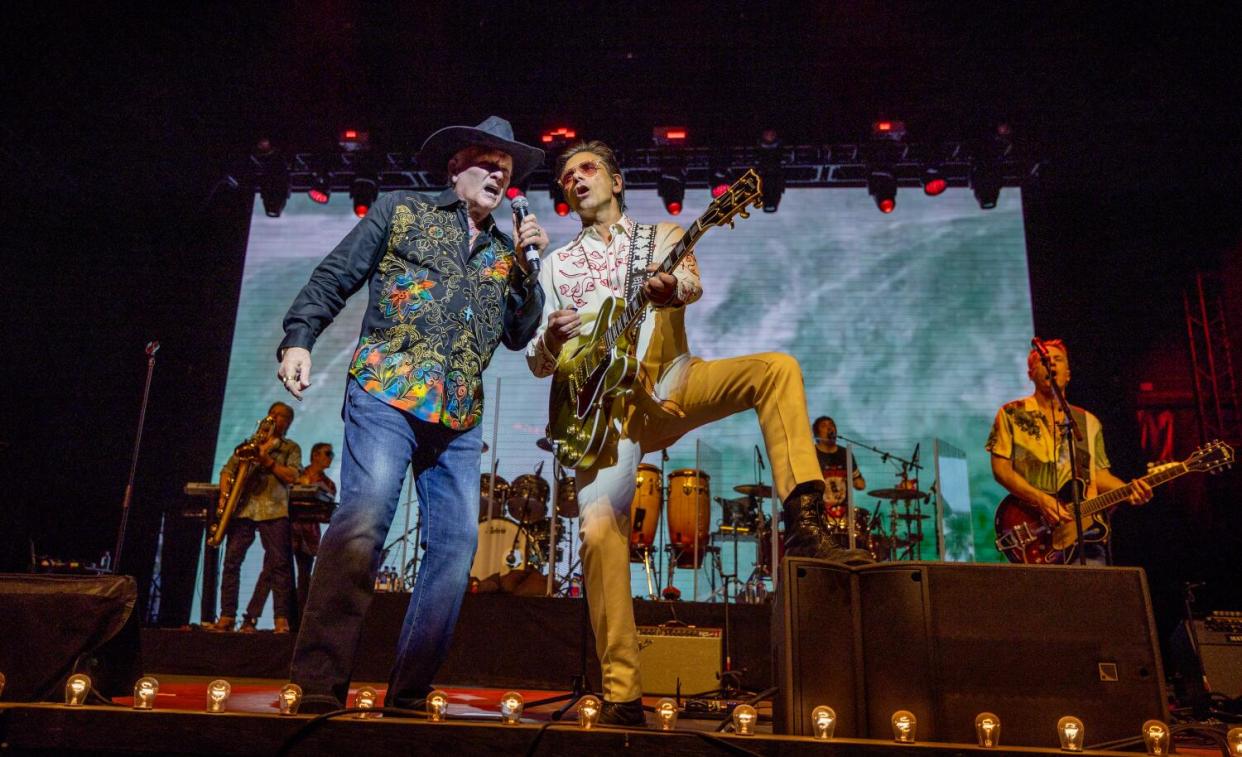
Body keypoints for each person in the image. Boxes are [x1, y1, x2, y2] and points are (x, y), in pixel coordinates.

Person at [525, 141, 840, 726]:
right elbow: (539, 363)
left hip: (673, 381)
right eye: (567, 175)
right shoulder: (555, 265)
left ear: (617, 182)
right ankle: (622, 695)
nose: (576, 179)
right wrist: (548, 340)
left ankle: (803, 515)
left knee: (777, 370)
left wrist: (671, 289)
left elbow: (691, 284)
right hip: (605, 415)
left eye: (588, 168)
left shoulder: (664, 237)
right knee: (598, 534)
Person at [277, 116, 547, 712]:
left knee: (455, 546)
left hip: (457, 416)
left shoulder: (507, 253)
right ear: (455, 168)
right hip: (387, 389)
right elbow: (337, 274)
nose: (500, 171)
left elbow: (519, 334)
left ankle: (408, 693)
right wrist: (299, 337)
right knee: (365, 519)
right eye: (488, 159)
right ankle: (319, 682)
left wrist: (529, 269)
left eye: (508, 166)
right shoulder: (402, 211)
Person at [986, 339, 1152, 564]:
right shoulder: (1011, 413)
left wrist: (1129, 489)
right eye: (1044, 361)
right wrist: (1041, 499)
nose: (1051, 365)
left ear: (1068, 373)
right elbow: (1001, 470)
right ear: (1030, 373)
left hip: (1086, 533)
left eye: (1057, 360)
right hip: (1037, 527)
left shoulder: (1088, 421)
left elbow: (1099, 475)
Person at [209, 401, 301, 633]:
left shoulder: (290, 448)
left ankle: (281, 619)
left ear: (287, 422)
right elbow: (227, 470)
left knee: (280, 565)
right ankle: (227, 616)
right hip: (244, 509)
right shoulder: (250, 444)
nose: (273, 418)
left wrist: (267, 461)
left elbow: (292, 476)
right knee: (231, 562)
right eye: (271, 413)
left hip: (273, 510)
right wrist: (224, 496)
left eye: (279, 416)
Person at [239, 441, 336, 632]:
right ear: (315, 454)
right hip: (286, 533)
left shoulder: (328, 483)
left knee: (305, 580)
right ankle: (250, 618)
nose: (330, 458)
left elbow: (327, 507)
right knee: (269, 574)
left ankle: (300, 623)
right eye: (327, 453)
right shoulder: (296, 473)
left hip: (308, 536)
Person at [813, 416, 866, 511]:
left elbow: (860, 484)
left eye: (831, 425)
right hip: (819, 511)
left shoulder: (845, 453)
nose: (829, 428)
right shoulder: (812, 453)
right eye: (824, 426)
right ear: (817, 433)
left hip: (843, 512)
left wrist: (857, 482)